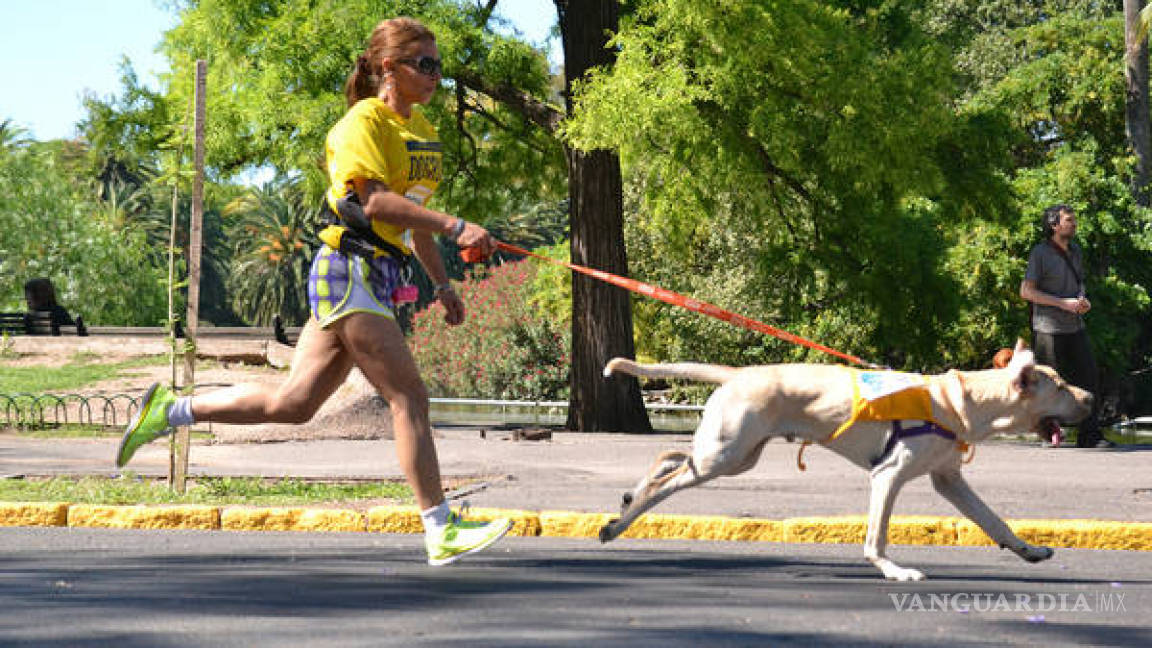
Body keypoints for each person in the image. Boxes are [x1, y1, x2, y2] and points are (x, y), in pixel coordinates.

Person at [115, 17, 512, 565]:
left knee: (294, 405)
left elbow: (414, 220)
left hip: (380, 274)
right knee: (409, 397)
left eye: (439, 65)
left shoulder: (421, 134)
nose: (436, 76)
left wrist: (442, 285)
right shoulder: (361, 124)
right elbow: (374, 205)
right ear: (388, 68)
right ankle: (439, 527)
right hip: (348, 268)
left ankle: (170, 409)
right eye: (425, 65)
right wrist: (455, 225)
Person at [1019, 204, 1110, 448]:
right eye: (1069, 220)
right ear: (1054, 225)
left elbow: (1079, 283)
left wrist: (1082, 300)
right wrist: (1061, 303)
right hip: (1048, 328)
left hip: (1075, 325)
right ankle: (1051, 435)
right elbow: (1026, 291)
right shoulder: (1040, 253)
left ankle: (1090, 436)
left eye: (1073, 219)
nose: (1074, 223)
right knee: (1049, 384)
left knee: (1089, 377)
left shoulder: (1076, 251)